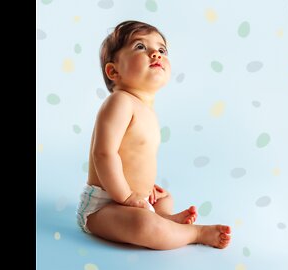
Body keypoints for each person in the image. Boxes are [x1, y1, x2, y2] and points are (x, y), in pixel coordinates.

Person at [76, 20, 231, 250]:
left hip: (135, 198)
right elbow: (104, 154)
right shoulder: (120, 102)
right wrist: (127, 197)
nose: (155, 54)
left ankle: (165, 218)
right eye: (140, 47)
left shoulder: (147, 110)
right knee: (143, 225)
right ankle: (193, 233)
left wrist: (146, 189)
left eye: (161, 50)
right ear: (113, 71)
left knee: (165, 198)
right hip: (104, 205)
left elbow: (135, 158)